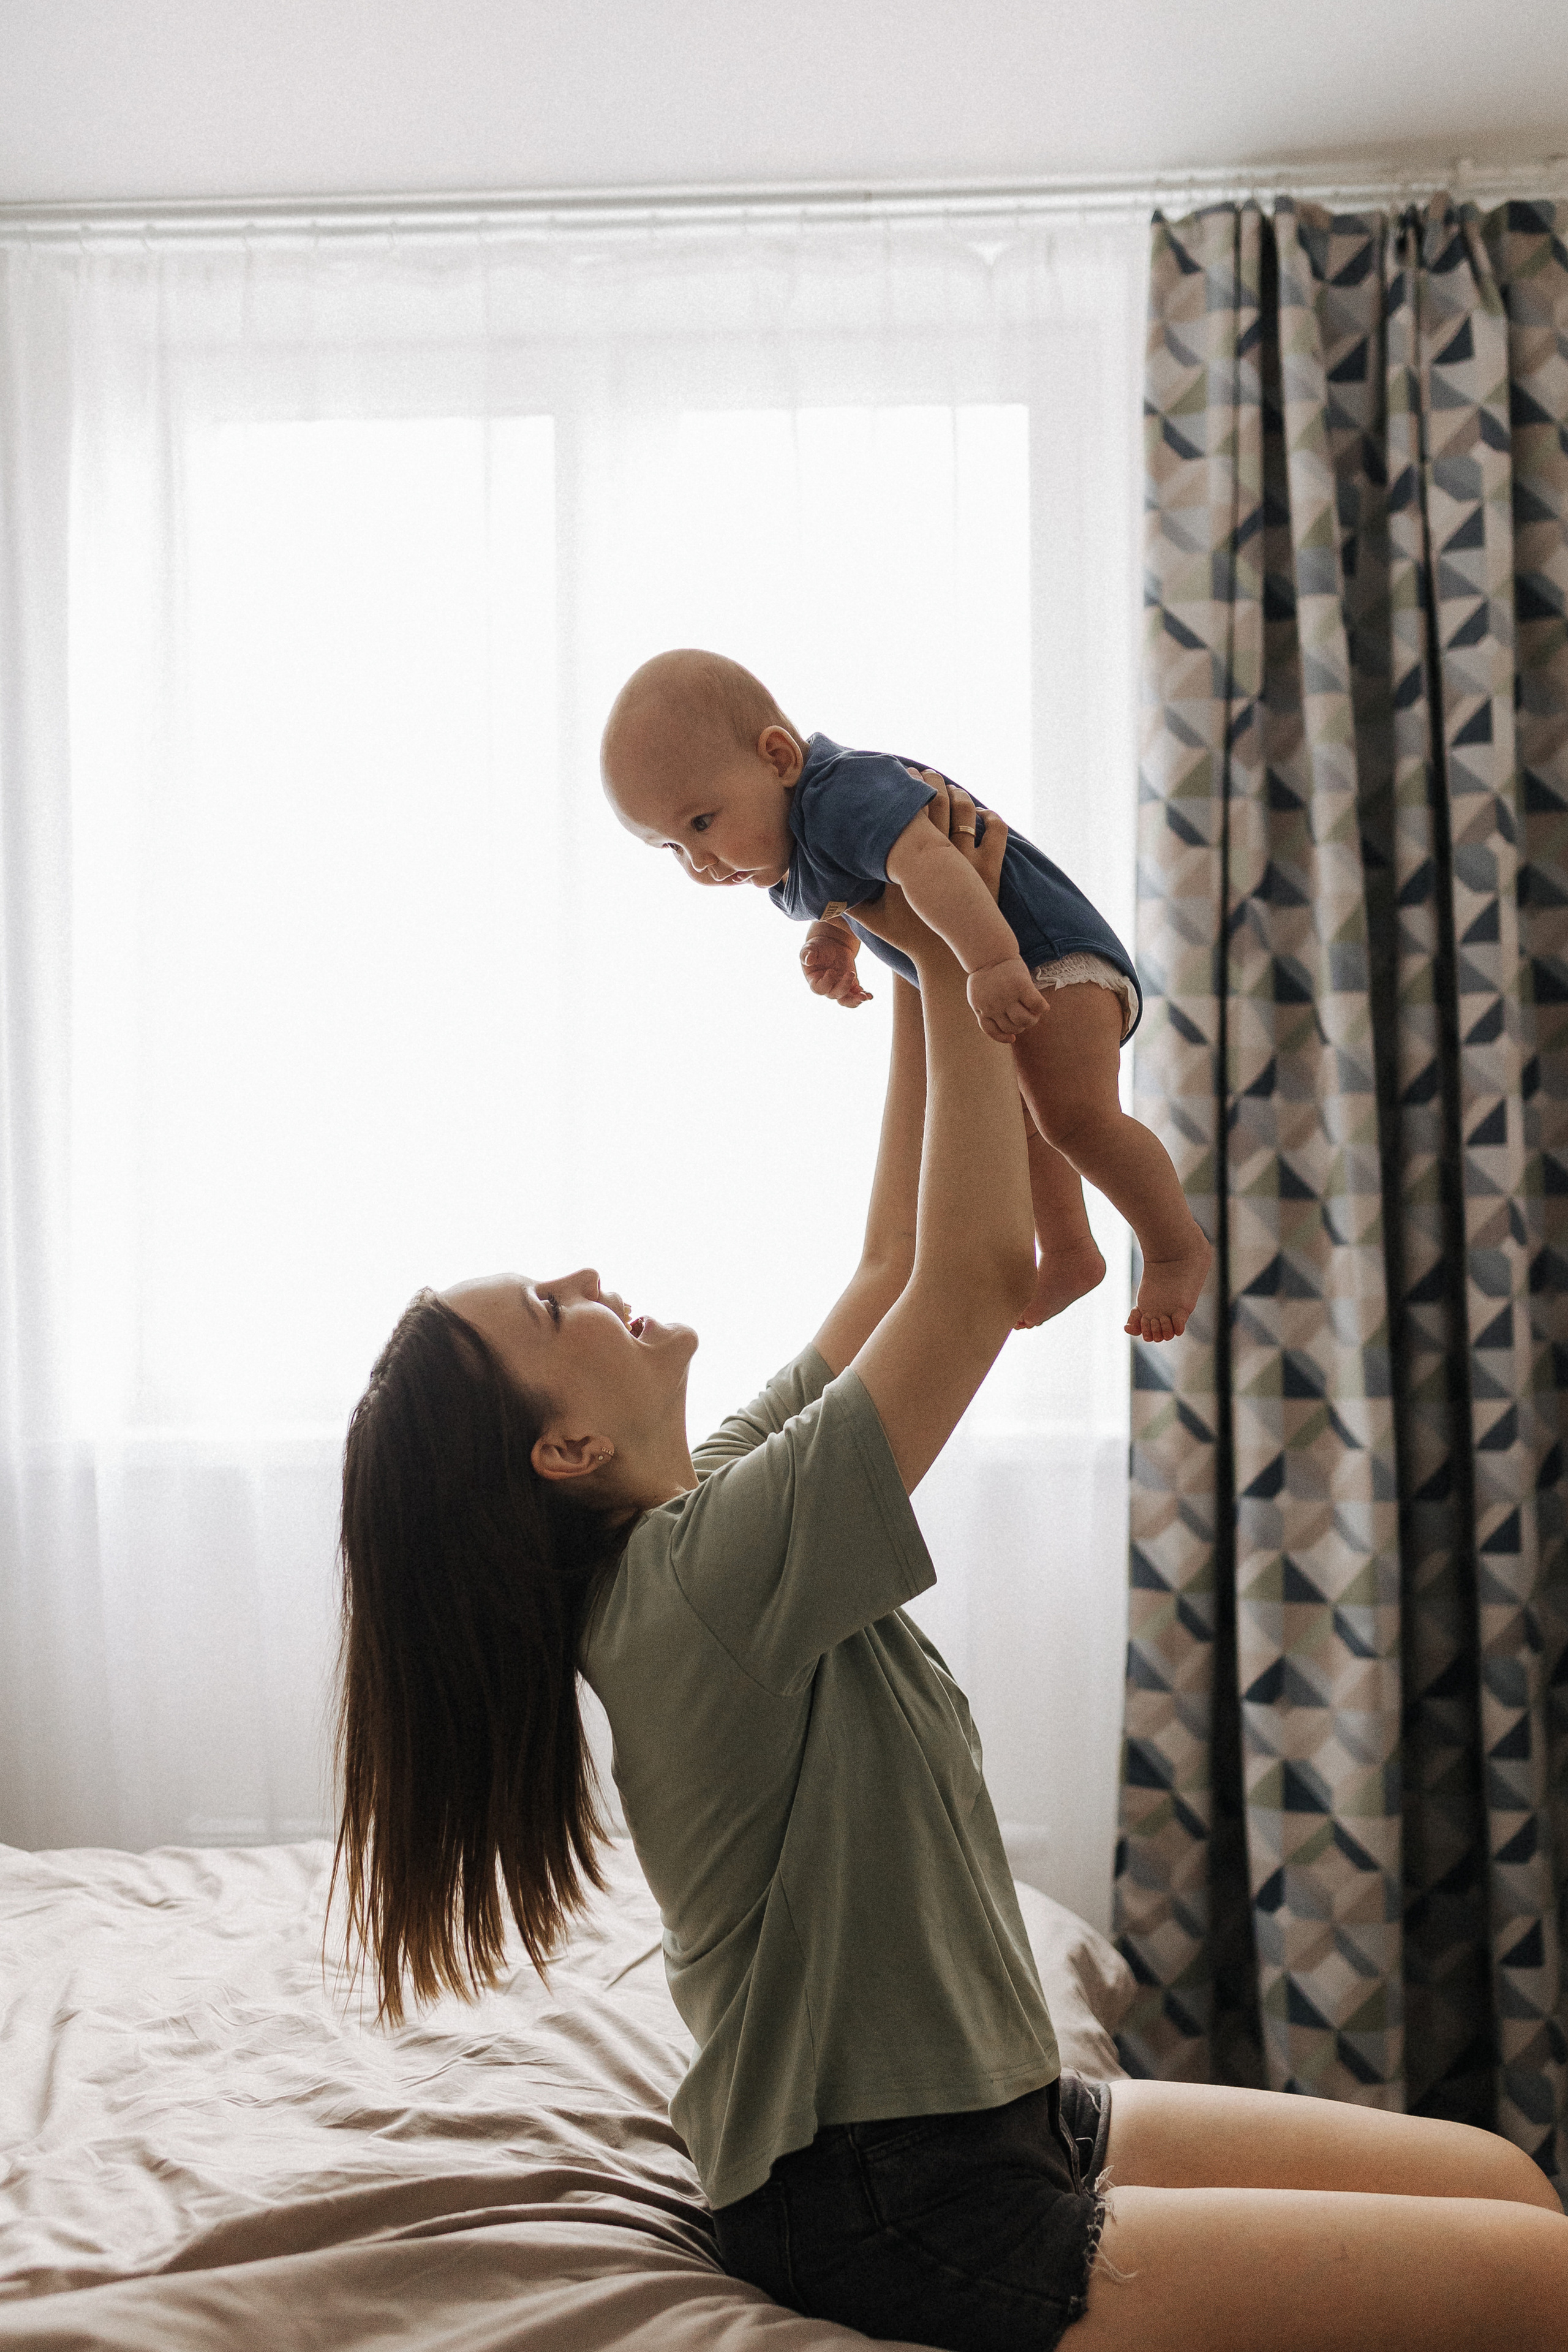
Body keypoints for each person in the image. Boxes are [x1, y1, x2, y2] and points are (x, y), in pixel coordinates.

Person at [331, 786, 1567, 2352]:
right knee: (1539, 2288)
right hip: (892, 2194)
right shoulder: (704, 1581)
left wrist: (909, 942)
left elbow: (889, 1270)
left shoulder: (704, 1509)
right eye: (546, 1306)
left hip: (994, 2112)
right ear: (560, 1451)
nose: (584, 1273)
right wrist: (976, 963)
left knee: (1511, 2187)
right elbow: (975, 1281)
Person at [600, 646, 1212, 1343]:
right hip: (1017, 960)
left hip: (1047, 952)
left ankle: (1174, 1245)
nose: (700, 864)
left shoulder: (841, 794)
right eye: (671, 849)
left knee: (1077, 1121)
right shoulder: (778, 853)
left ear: (777, 758)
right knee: (1035, 1120)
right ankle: (1072, 1252)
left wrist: (988, 963)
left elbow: (928, 860)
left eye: (701, 823)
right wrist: (833, 939)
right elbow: (859, 893)